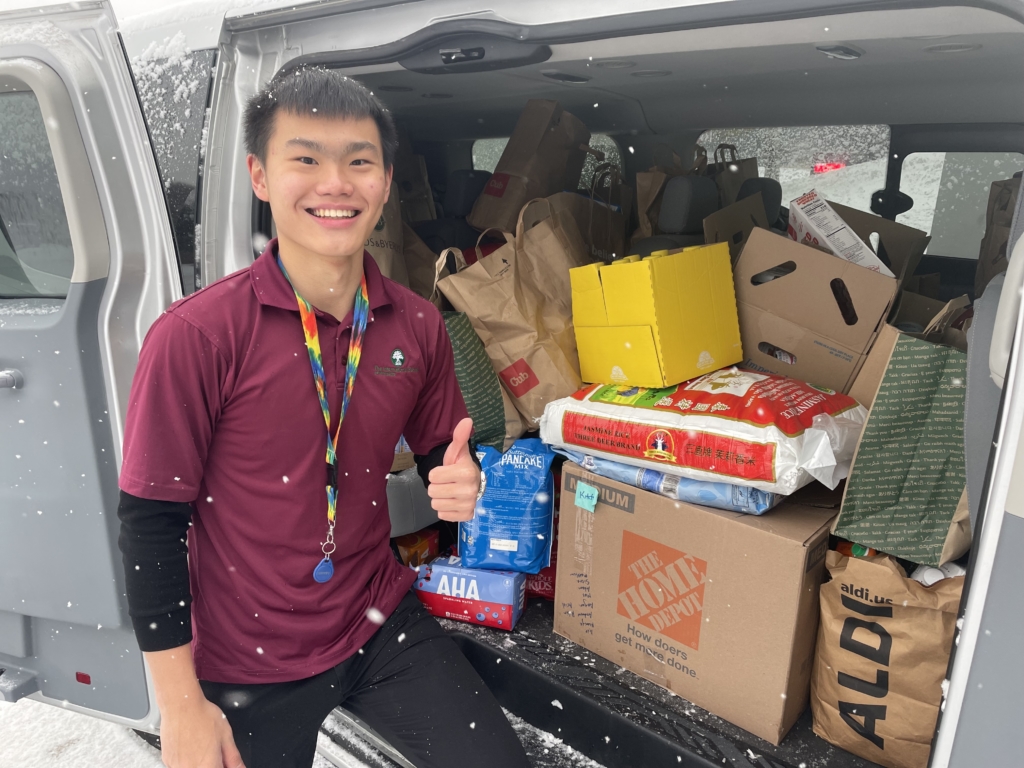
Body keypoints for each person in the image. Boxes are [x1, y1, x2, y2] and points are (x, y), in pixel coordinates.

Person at [117, 66, 532, 768]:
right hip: (245, 658)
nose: (335, 184)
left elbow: (441, 450)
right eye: (305, 159)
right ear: (260, 176)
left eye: (358, 162)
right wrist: (181, 704)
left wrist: (458, 480)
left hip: (376, 621)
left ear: (385, 180)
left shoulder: (418, 325)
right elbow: (151, 526)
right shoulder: (197, 336)